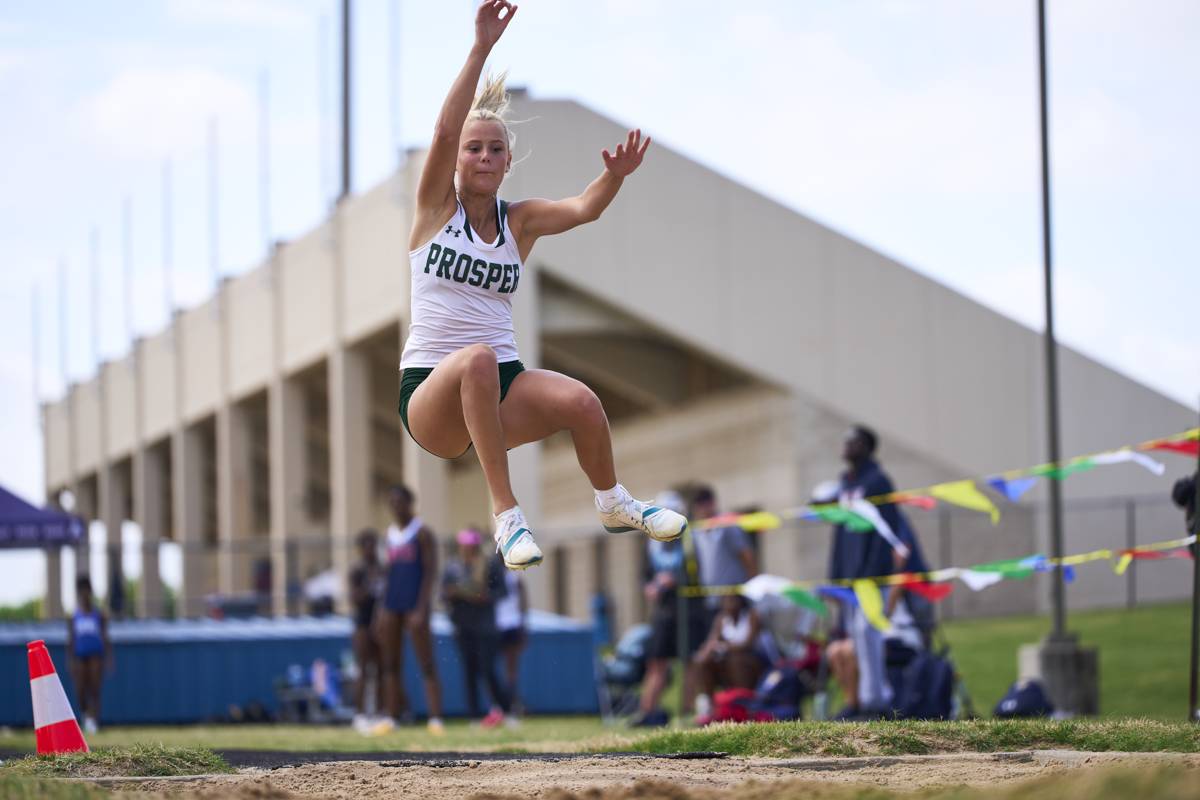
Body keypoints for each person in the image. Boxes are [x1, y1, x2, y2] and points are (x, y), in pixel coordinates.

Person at [397, 0, 688, 572]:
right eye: (473, 148)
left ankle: (613, 502)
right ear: (456, 161)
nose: (483, 156)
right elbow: (443, 127)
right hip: (432, 391)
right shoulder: (435, 209)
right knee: (477, 357)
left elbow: (584, 209)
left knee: (582, 401)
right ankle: (506, 517)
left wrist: (613, 176)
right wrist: (481, 48)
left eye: (495, 149)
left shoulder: (518, 222)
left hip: (500, 386)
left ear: (508, 163)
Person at [825, 424, 909, 720]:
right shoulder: (845, 484)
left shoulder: (879, 481)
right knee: (855, 635)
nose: (846, 445)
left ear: (867, 446)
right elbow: (840, 529)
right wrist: (836, 574)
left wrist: (872, 572)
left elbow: (886, 529)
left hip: (872, 574)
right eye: (845, 439)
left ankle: (877, 700)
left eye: (853, 441)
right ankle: (860, 700)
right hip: (850, 575)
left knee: (867, 631)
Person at [630, 491, 708, 726]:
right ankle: (647, 712)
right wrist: (650, 588)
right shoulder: (651, 544)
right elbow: (645, 577)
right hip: (664, 612)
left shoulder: (690, 540)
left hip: (690, 609)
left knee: (690, 661)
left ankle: (686, 712)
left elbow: (700, 572)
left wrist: (677, 579)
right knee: (657, 661)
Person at [375, 485, 444, 735]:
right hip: (393, 602)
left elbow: (430, 572)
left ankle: (435, 719)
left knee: (426, 662)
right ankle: (391, 717)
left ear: (409, 503)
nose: (396, 507)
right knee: (390, 663)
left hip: (414, 603)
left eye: (399, 502)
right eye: (391, 503)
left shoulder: (422, 533)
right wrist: (382, 609)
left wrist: (421, 608)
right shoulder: (389, 536)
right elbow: (386, 574)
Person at [687, 485, 757, 715]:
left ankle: (741, 701)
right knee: (708, 654)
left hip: (735, 598)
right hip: (712, 600)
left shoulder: (727, 526)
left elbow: (746, 555)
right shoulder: (697, 531)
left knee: (737, 654)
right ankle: (712, 705)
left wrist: (753, 586)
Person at [442, 528, 514, 727]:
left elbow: (502, 592)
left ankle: (505, 710)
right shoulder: (453, 567)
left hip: (485, 626)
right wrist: (454, 593)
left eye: (470, 547)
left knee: (489, 670)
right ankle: (474, 716)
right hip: (462, 625)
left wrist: (483, 597)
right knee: (469, 671)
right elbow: (443, 593)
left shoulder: (489, 564)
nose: (467, 550)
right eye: (464, 547)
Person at [692, 594, 765, 711]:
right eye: (725, 600)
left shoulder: (752, 616)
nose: (728, 603)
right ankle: (708, 705)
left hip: (754, 660)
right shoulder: (721, 619)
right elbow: (712, 641)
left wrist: (724, 647)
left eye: (732, 599)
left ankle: (743, 704)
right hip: (728, 660)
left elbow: (748, 644)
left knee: (736, 661)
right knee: (704, 662)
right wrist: (704, 655)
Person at [348, 528, 385, 733]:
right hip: (362, 622)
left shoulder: (382, 568)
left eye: (373, 544)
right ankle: (360, 713)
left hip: (379, 623)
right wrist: (369, 585)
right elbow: (354, 599)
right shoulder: (358, 570)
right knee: (363, 668)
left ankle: (380, 711)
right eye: (366, 545)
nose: (370, 549)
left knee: (380, 669)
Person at [67, 576, 109, 735]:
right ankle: (85, 716)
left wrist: (108, 657)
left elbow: (105, 636)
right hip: (80, 655)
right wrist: (70, 659)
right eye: (81, 590)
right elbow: (71, 639)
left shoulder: (98, 614)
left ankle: (94, 721)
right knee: (80, 689)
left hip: (95, 655)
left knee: (94, 689)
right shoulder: (74, 615)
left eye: (87, 590)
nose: (84, 594)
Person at [494, 562, 528, 715]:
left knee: (511, 668)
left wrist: (523, 625)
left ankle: (512, 701)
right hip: (495, 625)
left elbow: (523, 602)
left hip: (512, 624)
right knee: (494, 667)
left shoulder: (515, 575)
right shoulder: (492, 573)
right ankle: (499, 702)